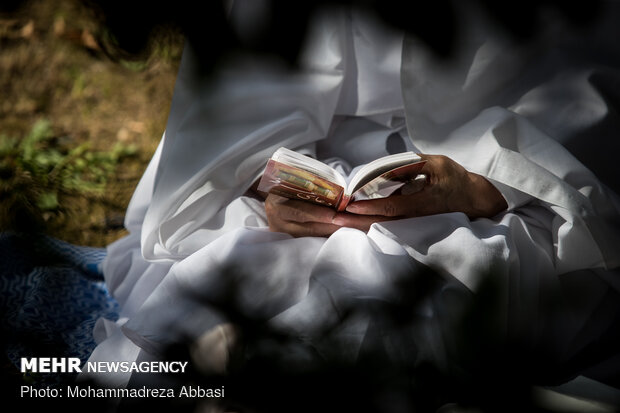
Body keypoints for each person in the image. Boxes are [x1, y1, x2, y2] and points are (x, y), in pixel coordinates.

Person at [82, 2, 620, 410]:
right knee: (234, 273)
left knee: (399, 298)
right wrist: (264, 183)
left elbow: (585, 91)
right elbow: (238, 106)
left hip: (519, 191)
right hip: (313, 167)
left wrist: (481, 190)